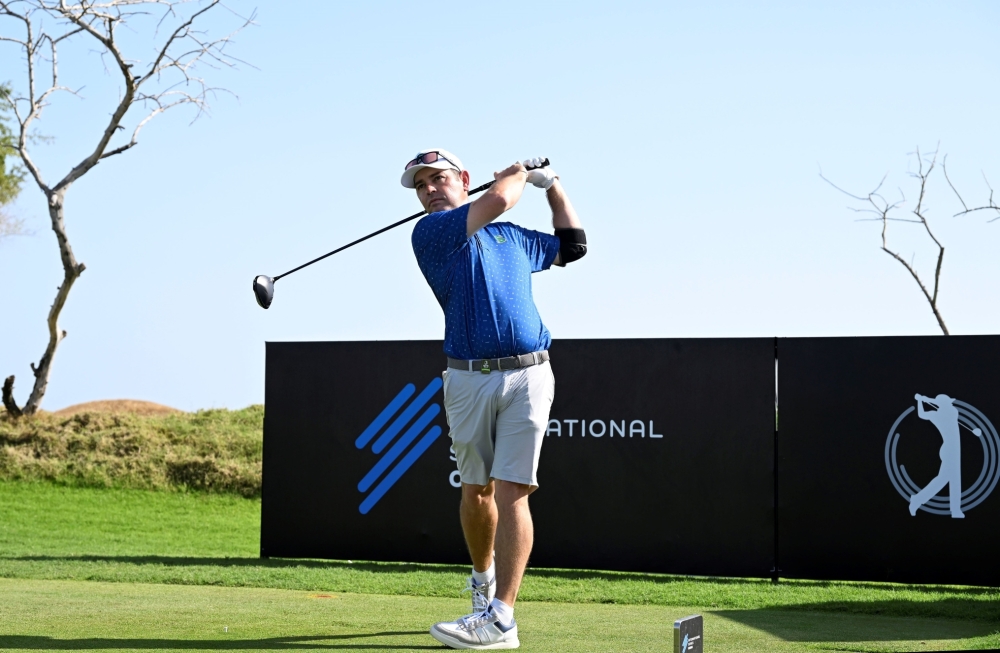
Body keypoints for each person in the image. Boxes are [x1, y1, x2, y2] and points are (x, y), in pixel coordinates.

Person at [404, 149, 586, 650]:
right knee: (476, 492)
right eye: (421, 186)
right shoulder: (431, 233)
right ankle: (482, 581)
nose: (430, 191)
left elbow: (574, 245)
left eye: (438, 179)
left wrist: (553, 187)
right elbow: (503, 197)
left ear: (463, 179)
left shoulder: (511, 238)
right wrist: (519, 175)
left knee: (512, 491)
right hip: (467, 379)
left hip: (530, 373)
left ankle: (502, 618)